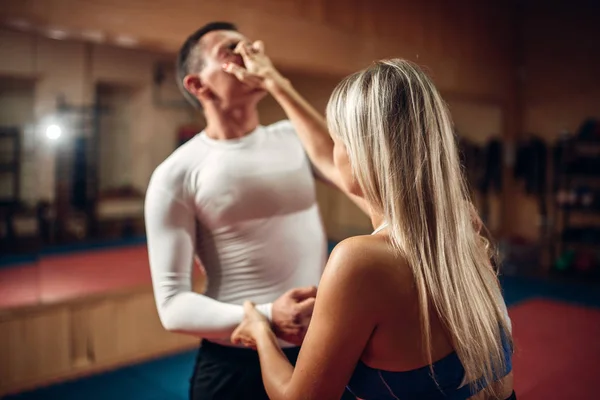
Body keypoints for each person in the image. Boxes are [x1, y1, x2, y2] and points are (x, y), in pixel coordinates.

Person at [231, 59, 516, 400]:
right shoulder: (462, 226)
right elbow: (324, 155)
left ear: (360, 153)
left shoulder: (360, 260)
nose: (333, 152)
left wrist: (260, 329)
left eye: (338, 140)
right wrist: (277, 84)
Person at [144, 22, 360, 400]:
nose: (250, 53)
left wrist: (279, 82)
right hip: (235, 361)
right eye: (231, 50)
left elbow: (348, 172)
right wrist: (266, 315)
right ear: (197, 85)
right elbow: (172, 306)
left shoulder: (292, 137)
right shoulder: (176, 174)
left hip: (318, 351)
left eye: (251, 45)